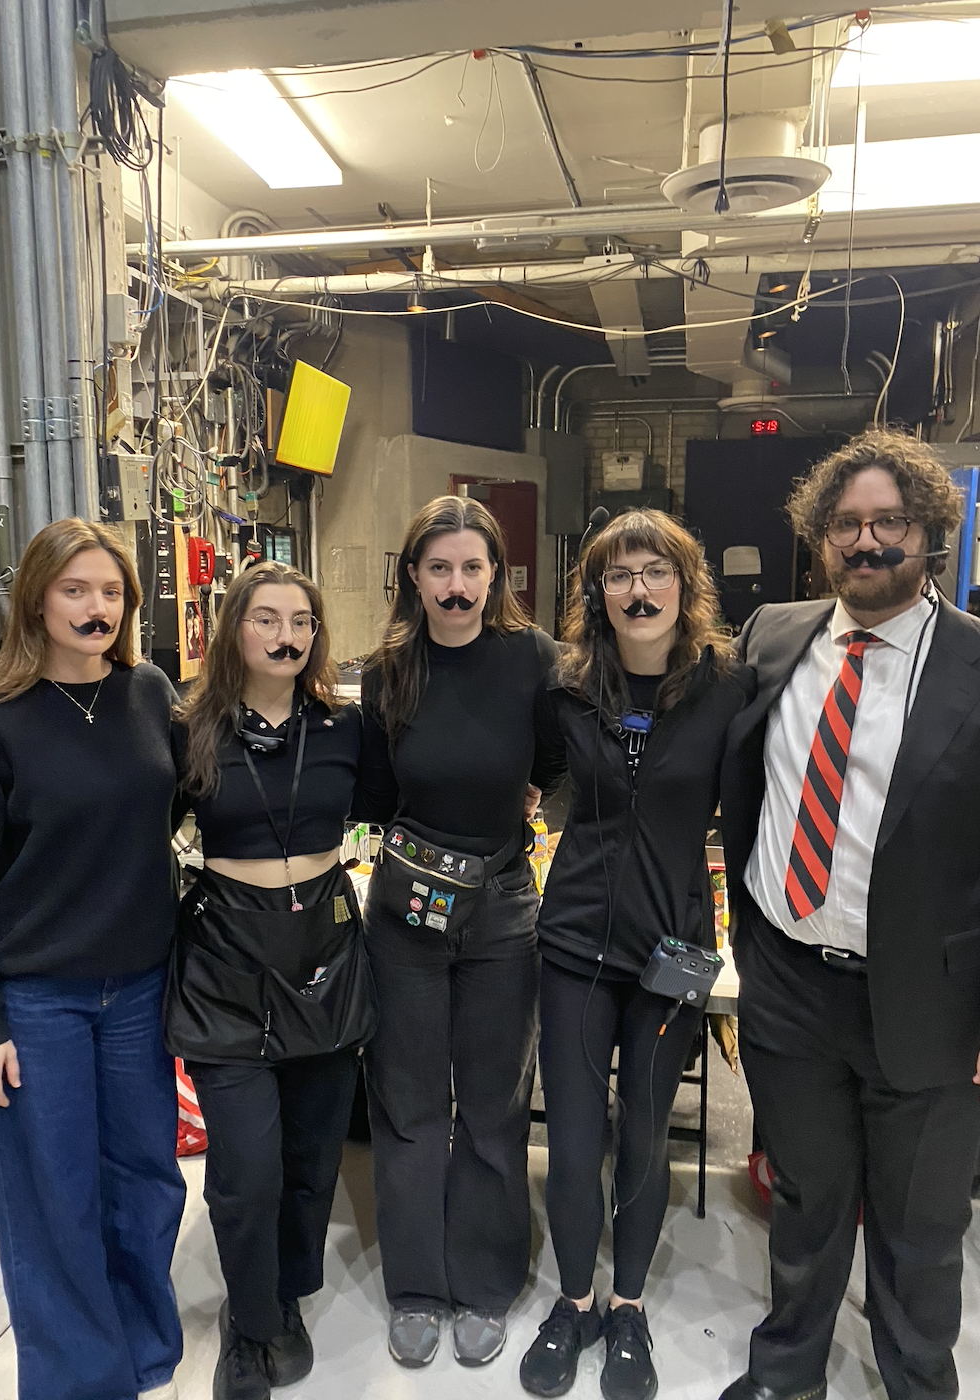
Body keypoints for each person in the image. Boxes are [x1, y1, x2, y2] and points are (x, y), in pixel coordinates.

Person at [719, 429, 980, 1400]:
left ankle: (918, 1382)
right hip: (788, 984)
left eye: (888, 523)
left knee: (920, 1227)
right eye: (845, 523)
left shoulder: (973, 663)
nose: (865, 541)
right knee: (804, 1199)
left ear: (928, 531)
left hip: (930, 1002)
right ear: (818, 536)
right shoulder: (772, 636)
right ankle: (787, 1372)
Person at [0, 520, 185, 1400]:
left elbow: (195, 797)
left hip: (141, 990)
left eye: (111, 592)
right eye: (77, 590)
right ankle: (83, 1379)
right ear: (37, 597)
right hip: (38, 1001)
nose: (97, 608)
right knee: (54, 1197)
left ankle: (145, 1349)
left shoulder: (149, 693)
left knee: (148, 1180)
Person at [520, 509, 752, 1400]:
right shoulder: (570, 685)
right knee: (575, 1146)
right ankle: (573, 1304)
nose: (639, 589)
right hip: (575, 942)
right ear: (597, 591)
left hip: (673, 954)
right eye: (620, 574)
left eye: (656, 571)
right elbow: (531, 780)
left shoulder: (727, 684)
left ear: (685, 587)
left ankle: (628, 1309)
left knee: (645, 1143)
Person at [167, 561, 380, 1400]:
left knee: (310, 1157)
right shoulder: (191, 728)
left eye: (300, 621)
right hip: (227, 959)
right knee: (246, 1169)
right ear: (234, 630)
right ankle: (248, 1324)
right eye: (266, 619)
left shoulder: (344, 727)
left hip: (324, 952)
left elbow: (406, 801)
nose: (285, 635)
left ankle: (286, 1298)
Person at [358, 495, 558, 1369]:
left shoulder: (533, 660)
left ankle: (483, 1279)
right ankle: (415, 1284)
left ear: (495, 577)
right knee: (407, 1103)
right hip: (405, 910)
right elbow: (369, 792)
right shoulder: (388, 670)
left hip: (504, 906)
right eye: (438, 567)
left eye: (473, 567)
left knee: (492, 1102)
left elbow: (555, 768)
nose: (456, 584)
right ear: (413, 578)